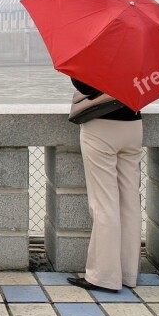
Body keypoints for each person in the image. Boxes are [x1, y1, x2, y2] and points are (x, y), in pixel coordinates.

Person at [66, 77, 143, 293]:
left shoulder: (99, 52)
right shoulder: (137, 50)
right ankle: (128, 273)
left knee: (103, 203)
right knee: (130, 202)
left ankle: (104, 276)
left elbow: (85, 87)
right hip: (134, 124)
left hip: (102, 125)